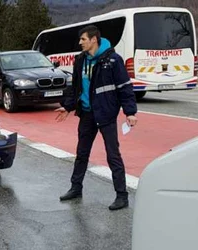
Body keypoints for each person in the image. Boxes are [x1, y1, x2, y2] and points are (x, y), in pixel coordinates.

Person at [54, 25, 138, 211]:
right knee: (81, 154)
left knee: (112, 155)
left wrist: (130, 112)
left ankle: (122, 196)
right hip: (86, 114)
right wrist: (67, 106)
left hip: (106, 114)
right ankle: (76, 188)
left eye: (83, 39)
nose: (80, 42)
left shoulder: (113, 60)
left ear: (93, 39)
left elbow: (125, 87)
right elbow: (75, 88)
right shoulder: (80, 60)